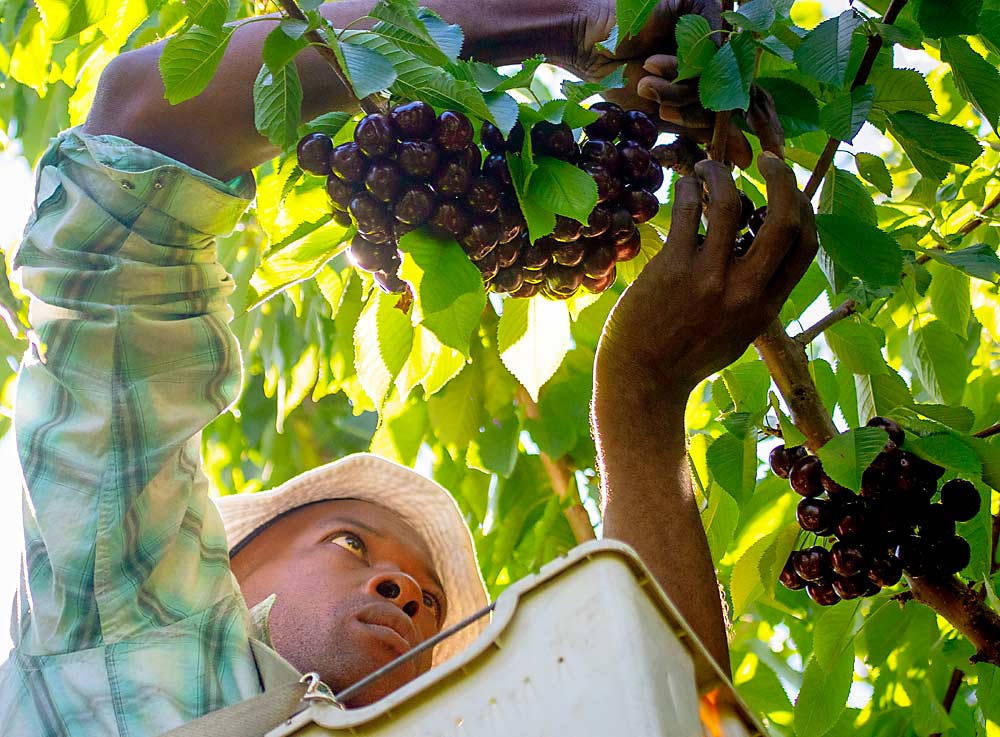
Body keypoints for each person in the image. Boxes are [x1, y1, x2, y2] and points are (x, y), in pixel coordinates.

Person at [0, 0, 817, 733]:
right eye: (351, 542)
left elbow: (653, 712)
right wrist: (545, 17)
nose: (406, 594)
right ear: (225, 570)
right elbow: (139, 131)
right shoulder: (133, 632)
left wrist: (641, 399)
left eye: (429, 605)